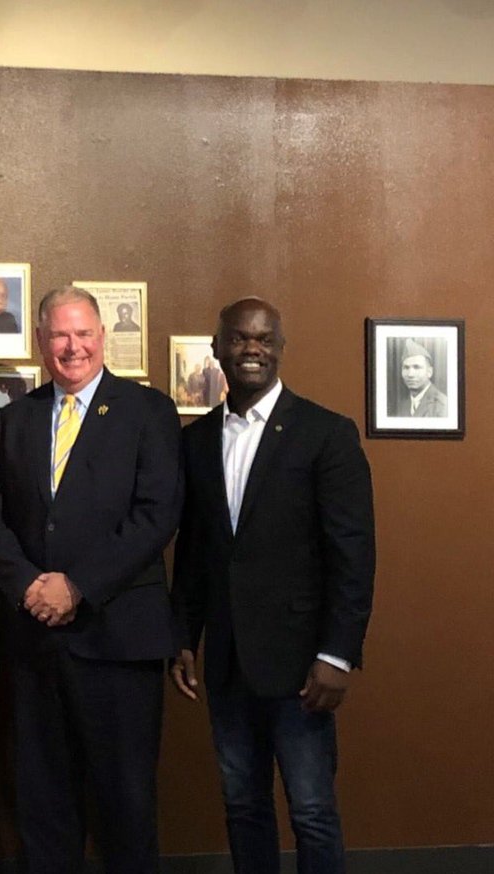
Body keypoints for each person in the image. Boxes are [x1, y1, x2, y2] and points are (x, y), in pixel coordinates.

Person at [0, 285, 182, 874]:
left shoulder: (149, 412)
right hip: (36, 643)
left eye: (84, 333)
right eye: (60, 335)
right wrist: (28, 586)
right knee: (43, 806)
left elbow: (156, 514)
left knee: (125, 805)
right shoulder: (14, 419)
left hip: (118, 642)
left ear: (102, 337)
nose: (73, 347)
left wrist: (78, 586)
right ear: (41, 341)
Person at [170, 298, 375, 874]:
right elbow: (195, 550)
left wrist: (337, 654)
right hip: (229, 661)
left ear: (280, 348)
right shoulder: (197, 440)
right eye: (239, 339)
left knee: (311, 810)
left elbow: (353, 556)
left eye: (263, 339)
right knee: (242, 804)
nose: (252, 349)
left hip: (302, 664)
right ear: (218, 350)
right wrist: (183, 635)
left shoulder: (325, 434)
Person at [395, 339, 447, 417]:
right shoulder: (403, 406)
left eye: (417, 367)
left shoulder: (443, 406)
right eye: (406, 368)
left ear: (429, 372)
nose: (410, 374)